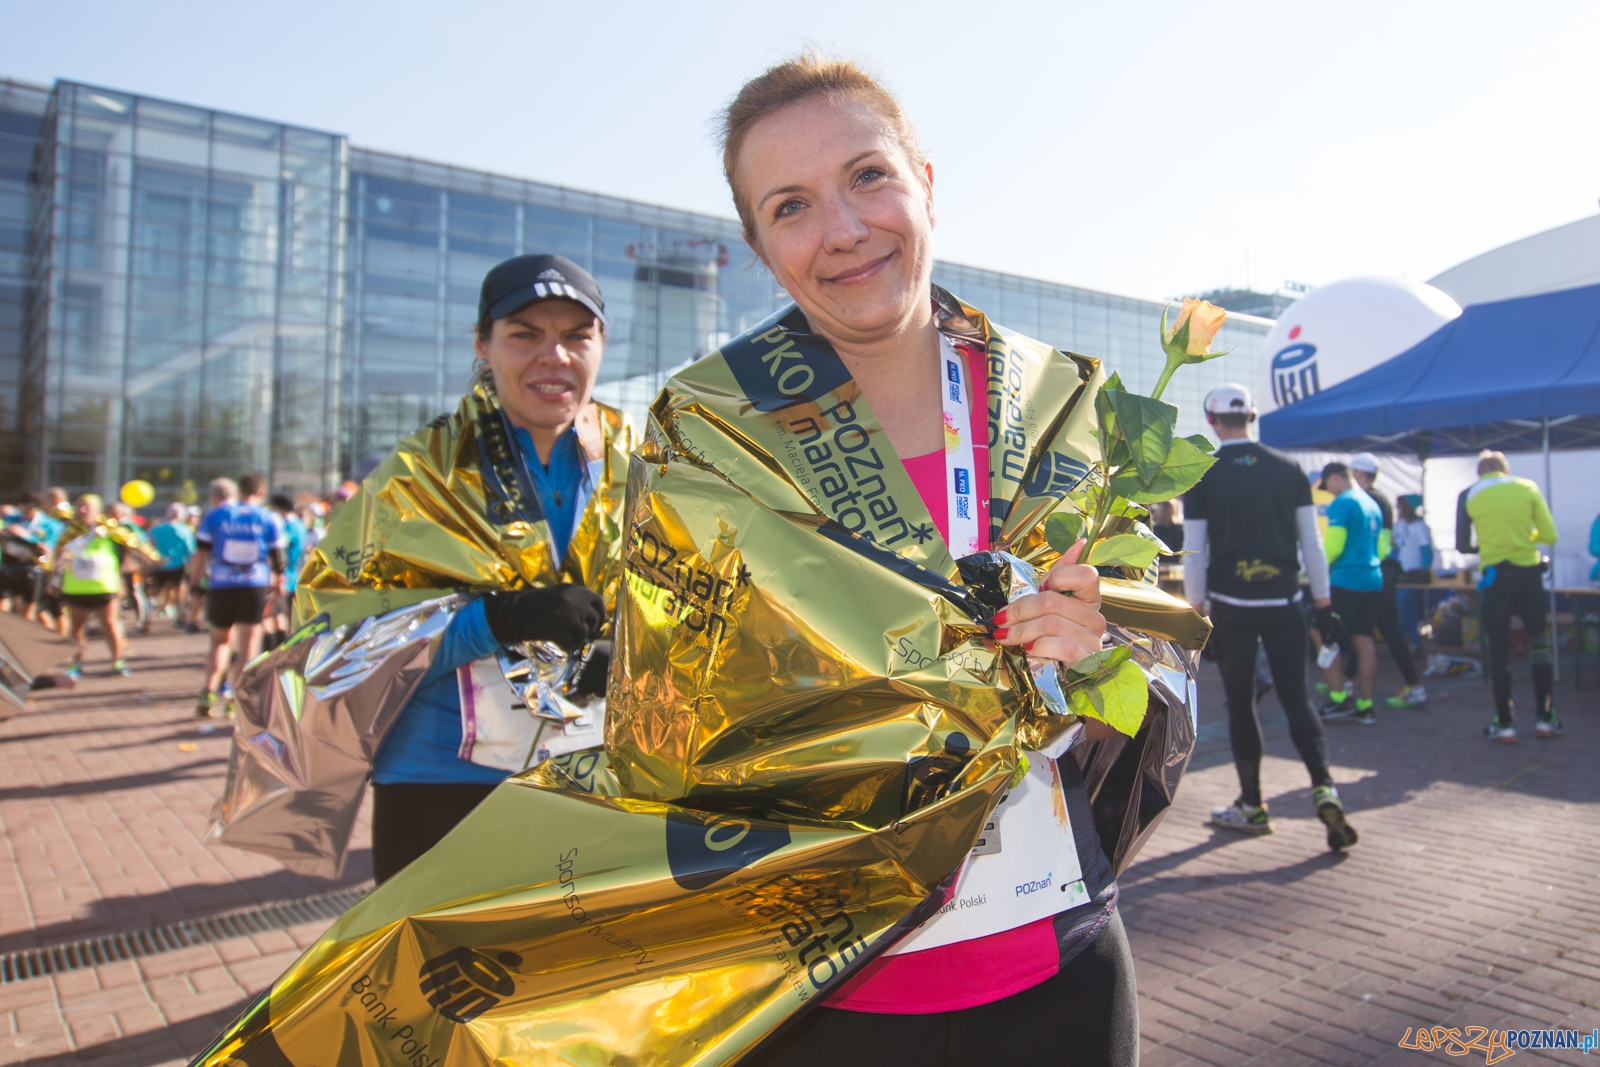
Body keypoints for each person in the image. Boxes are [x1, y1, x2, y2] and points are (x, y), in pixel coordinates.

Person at [714, 55, 1136, 1067]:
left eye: (868, 175)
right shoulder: (709, 435)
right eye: (791, 206)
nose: (846, 229)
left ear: (926, 183)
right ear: (761, 248)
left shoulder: (1062, 401)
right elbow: (675, 730)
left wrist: (1100, 650)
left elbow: (1151, 670)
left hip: (1061, 961)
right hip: (827, 997)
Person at [364, 253, 625, 885]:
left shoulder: (631, 461)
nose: (554, 356)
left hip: (578, 766)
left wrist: (617, 656)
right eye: (525, 334)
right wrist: (499, 618)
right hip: (439, 777)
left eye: (574, 335)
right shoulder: (422, 472)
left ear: (601, 346)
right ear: (483, 345)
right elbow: (352, 637)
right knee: (430, 978)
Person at [1182, 385, 1357, 851]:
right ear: (1252, 417)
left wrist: (1196, 612)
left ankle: (1253, 805)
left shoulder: (1205, 475)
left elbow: (1195, 553)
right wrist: (1323, 604)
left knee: (1241, 704)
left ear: (1212, 421)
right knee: (1298, 699)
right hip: (1285, 603)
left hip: (1232, 607)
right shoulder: (1289, 468)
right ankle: (1325, 787)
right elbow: (1312, 546)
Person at [1456, 449, 1559, 741]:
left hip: (1495, 578)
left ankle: (1505, 722)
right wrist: (1525, 538)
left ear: (1479, 472)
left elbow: (1463, 545)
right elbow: (1550, 535)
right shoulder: (1526, 487)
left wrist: (1489, 545)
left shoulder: (1469, 494)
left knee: (1499, 652)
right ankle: (1545, 718)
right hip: (1528, 575)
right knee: (1539, 645)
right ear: (1505, 470)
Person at [192, 473, 285, 717]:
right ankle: (236, 698)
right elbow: (279, 558)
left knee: (220, 641)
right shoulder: (268, 517)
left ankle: (208, 692)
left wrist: (195, 586)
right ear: (261, 492)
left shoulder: (216, 515)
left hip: (221, 583)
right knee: (248, 645)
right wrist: (279, 584)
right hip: (254, 584)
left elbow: (201, 553)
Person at [1347, 453, 1427, 709]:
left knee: (1385, 630)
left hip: (1375, 573)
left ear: (1359, 474)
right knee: (1361, 628)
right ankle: (1347, 680)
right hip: (1378, 571)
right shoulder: (1378, 499)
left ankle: (1415, 686)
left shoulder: (1370, 499)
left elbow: (1370, 541)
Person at [54, 494, 158, 678]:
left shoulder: (110, 530)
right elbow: (57, 558)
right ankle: (75, 664)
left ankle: (117, 661)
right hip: (76, 587)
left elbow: (134, 544)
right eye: (80, 506)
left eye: (88, 506)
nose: (83, 510)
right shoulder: (70, 533)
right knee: (76, 628)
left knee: (110, 625)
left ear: (97, 510)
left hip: (104, 586)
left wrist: (152, 558)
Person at [1315, 462, 1385, 724]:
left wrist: (1310, 568)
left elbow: (1332, 548)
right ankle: (1365, 705)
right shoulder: (1370, 503)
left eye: (1328, 486)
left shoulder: (1343, 503)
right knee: (1363, 640)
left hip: (1346, 580)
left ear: (1334, 478)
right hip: (1372, 578)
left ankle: (1338, 698)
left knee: (1320, 632)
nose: (1329, 492)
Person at [261, 494, 306, 651]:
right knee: (281, 616)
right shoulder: (298, 523)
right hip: (292, 575)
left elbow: (278, 547)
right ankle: (280, 651)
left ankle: (273, 652)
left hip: (283, 576)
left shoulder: (288, 525)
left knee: (269, 616)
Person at [1392, 493, 1432, 655]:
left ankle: (1402, 642)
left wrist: (1424, 569)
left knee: (1404, 607)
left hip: (1413, 573)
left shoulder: (1420, 527)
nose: (1398, 510)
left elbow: (1427, 551)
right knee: (1408, 609)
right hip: (1398, 571)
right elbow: (1393, 546)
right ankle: (1413, 643)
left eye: (1400, 506)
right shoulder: (1398, 525)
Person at [146, 503, 197, 625]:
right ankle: (181, 617)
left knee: (153, 593)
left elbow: (147, 546)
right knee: (179, 592)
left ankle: (146, 618)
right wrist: (193, 568)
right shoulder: (184, 530)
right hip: (178, 565)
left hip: (159, 565)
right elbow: (190, 550)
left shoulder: (156, 529)